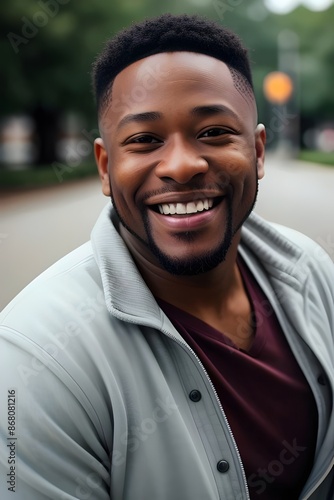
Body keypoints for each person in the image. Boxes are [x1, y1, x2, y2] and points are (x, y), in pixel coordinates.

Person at [0, 13, 333, 500]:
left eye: (215, 132)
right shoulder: (35, 359)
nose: (181, 166)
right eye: (144, 141)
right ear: (106, 166)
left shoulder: (311, 271)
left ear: (258, 151)